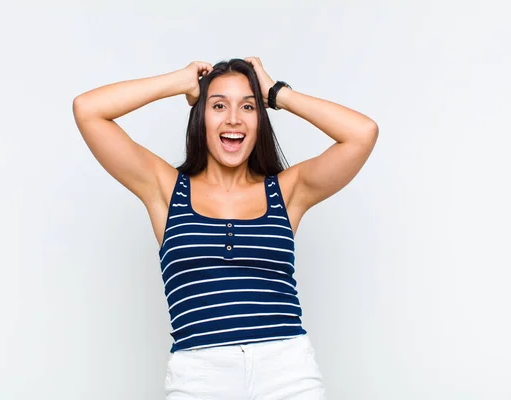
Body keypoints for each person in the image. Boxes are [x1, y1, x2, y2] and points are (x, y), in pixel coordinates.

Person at [72, 57, 378, 400]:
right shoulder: (167, 190)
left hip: (286, 372)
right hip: (200, 376)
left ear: (259, 120)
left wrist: (278, 95)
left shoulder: (287, 192)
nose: (233, 118)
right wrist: (180, 82)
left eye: (247, 106)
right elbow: (88, 110)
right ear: (200, 116)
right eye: (218, 105)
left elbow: (362, 134)